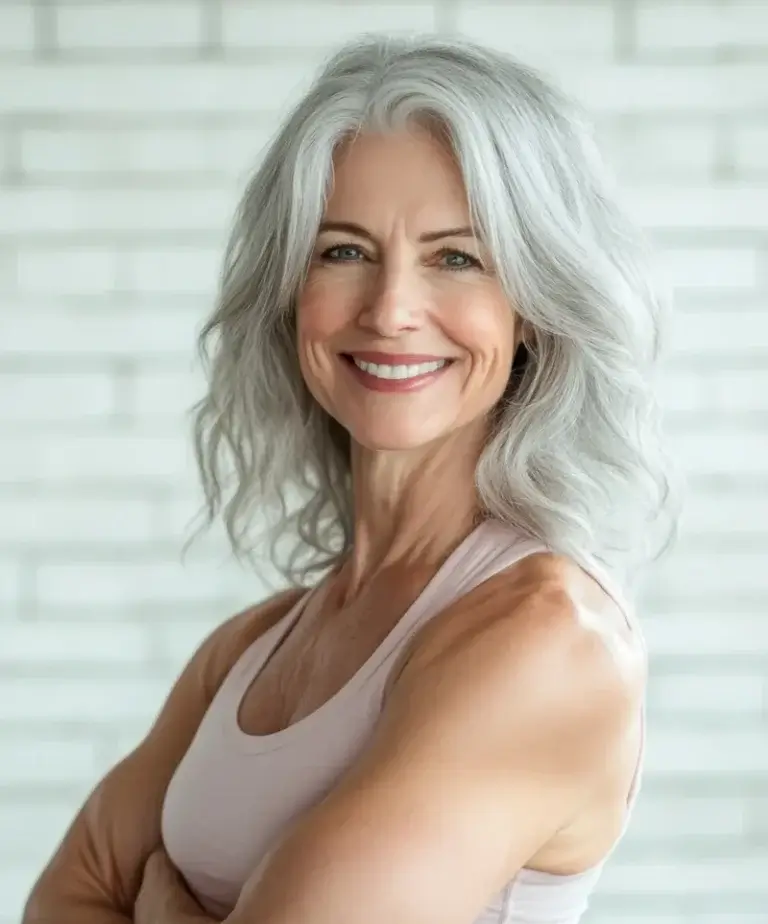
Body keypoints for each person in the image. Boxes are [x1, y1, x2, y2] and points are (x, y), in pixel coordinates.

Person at [23, 33, 677, 924]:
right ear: (290, 292)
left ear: (534, 308)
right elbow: (64, 896)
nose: (391, 310)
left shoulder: (546, 641)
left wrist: (158, 905)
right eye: (343, 251)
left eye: (457, 257)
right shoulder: (248, 652)